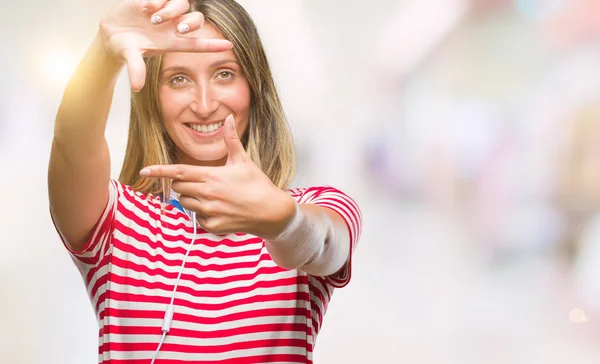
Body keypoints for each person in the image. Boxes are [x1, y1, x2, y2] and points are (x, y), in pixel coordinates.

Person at [47, 0, 363, 363]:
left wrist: (281, 219)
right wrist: (103, 54)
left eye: (224, 74)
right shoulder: (117, 221)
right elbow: (73, 146)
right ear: (153, 96)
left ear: (254, 87)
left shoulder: (318, 203)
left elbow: (325, 243)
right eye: (178, 79)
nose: (204, 103)